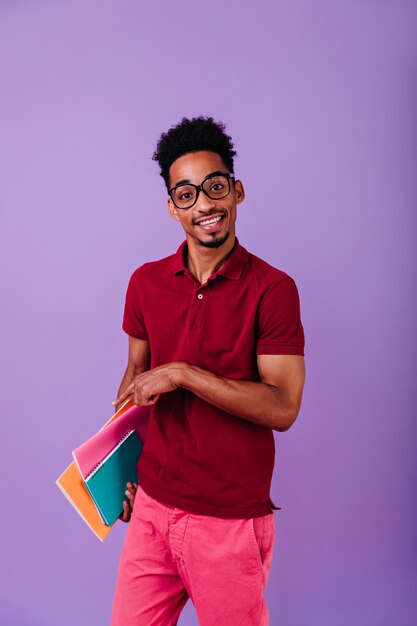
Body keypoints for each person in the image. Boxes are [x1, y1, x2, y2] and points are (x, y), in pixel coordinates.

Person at [110, 116, 305, 626]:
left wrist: (183, 373)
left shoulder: (273, 289)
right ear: (172, 208)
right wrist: (123, 475)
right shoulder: (145, 283)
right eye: (187, 194)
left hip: (230, 521)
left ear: (236, 191)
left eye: (215, 187)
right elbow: (135, 382)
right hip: (151, 509)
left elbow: (284, 407)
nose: (205, 205)